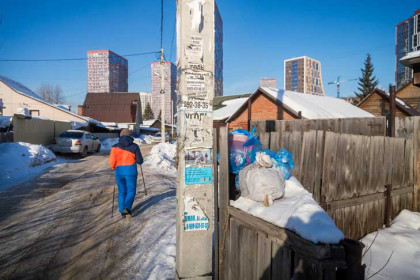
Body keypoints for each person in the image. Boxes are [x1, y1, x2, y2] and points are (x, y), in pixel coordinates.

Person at [109, 129, 143, 218]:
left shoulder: (114, 147)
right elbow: (139, 161)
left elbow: (112, 161)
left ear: (120, 136)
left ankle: (122, 211)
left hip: (119, 172)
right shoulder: (135, 146)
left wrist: (114, 168)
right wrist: (138, 161)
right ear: (130, 136)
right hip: (131, 171)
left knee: (122, 191)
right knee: (131, 191)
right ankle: (127, 207)